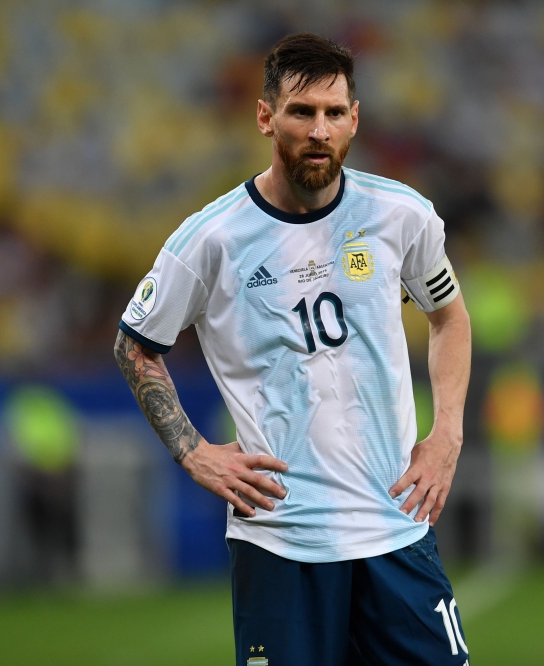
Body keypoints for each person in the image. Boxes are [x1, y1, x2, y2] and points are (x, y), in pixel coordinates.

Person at [115, 33, 472, 666]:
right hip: (279, 542)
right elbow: (135, 346)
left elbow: (448, 315)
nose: (319, 129)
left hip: (394, 526)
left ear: (355, 119)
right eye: (301, 112)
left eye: (335, 113)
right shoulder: (211, 241)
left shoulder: (401, 216)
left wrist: (446, 436)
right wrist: (193, 453)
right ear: (265, 117)